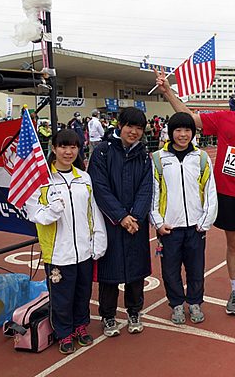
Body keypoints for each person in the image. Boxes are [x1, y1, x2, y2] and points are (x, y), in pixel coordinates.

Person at [155, 69, 235, 316]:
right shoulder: (224, 118)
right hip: (228, 193)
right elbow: (188, 118)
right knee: (233, 244)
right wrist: (168, 91)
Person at [26, 129, 107, 355]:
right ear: (53, 149)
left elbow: (94, 212)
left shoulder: (84, 178)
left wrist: (98, 241)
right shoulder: (43, 181)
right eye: (63, 146)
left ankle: (80, 326)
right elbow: (34, 214)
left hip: (83, 250)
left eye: (73, 147)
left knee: (82, 292)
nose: (68, 151)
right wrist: (51, 211)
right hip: (58, 253)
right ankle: (64, 333)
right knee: (62, 297)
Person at [87, 107, 153, 337]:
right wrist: (120, 216)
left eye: (139, 128)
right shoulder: (102, 152)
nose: (134, 132)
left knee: (136, 270)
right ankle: (108, 316)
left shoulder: (144, 155)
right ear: (119, 125)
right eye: (130, 126)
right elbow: (100, 188)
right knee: (109, 272)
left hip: (136, 221)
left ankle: (134, 311)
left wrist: (136, 216)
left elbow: (147, 188)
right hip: (110, 222)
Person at [149, 113, 217, 325]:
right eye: (178, 130)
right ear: (171, 133)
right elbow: (153, 192)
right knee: (170, 270)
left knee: (196, 269)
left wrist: (205, 221)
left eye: (187, 130)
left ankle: (195, 302)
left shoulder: (202, 158)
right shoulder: (159, 158)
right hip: (169, 227)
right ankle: (177, 304)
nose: (183, 134)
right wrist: (158, 223)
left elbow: (210, 190)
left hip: (195, 227)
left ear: (193, 133)